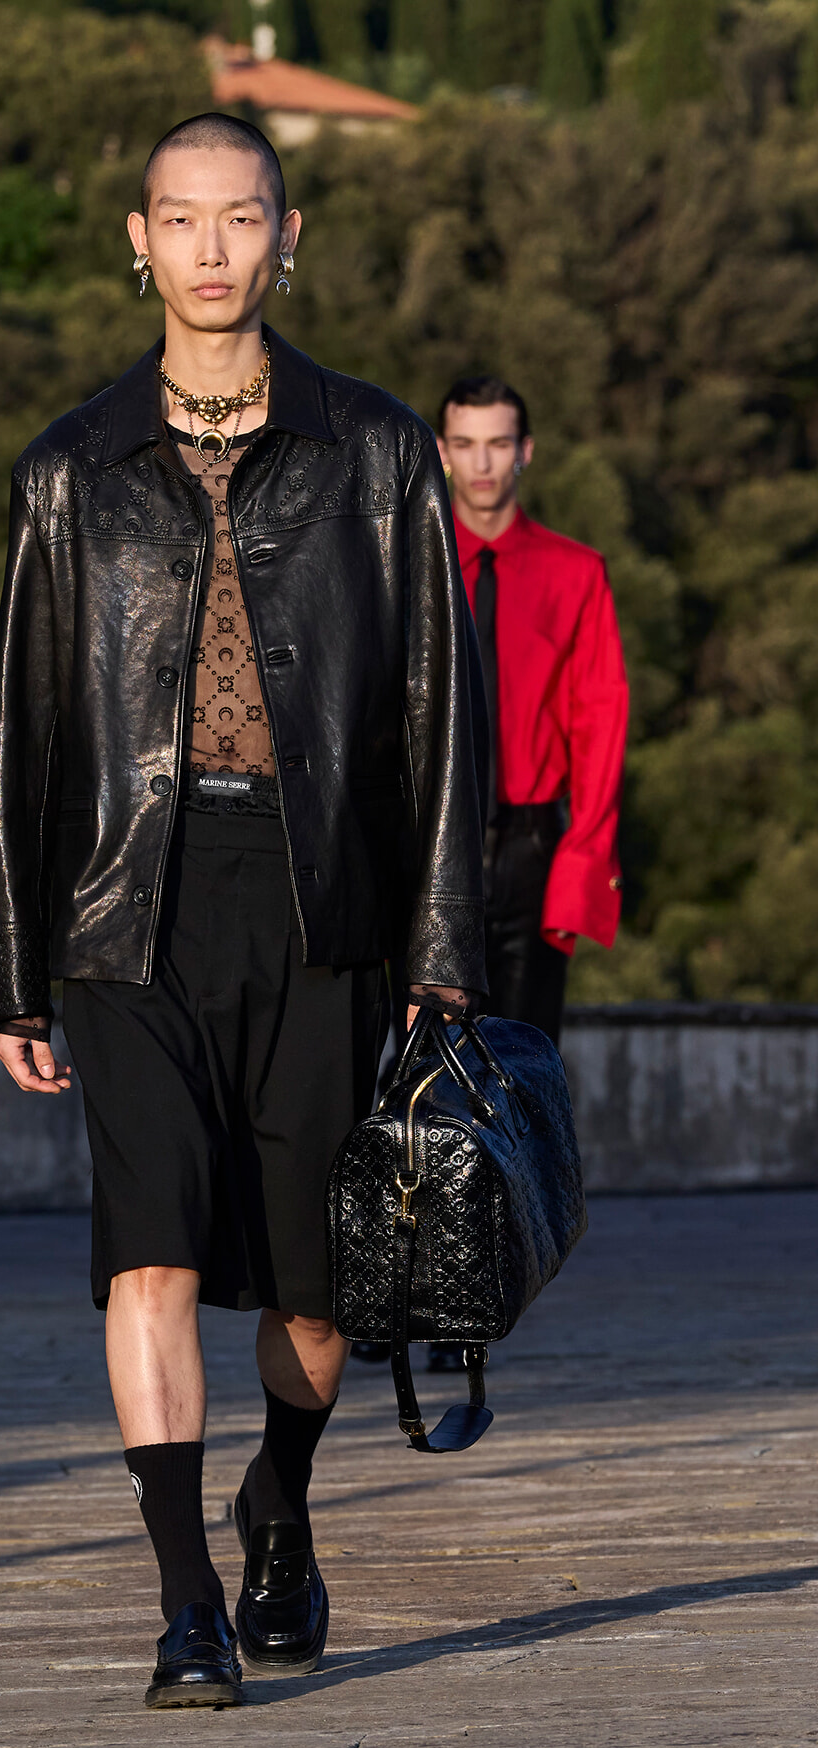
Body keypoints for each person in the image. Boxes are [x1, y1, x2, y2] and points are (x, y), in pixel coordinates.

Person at [0, 113, 487, 1710]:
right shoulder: (67, 470)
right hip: (126, 908)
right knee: (148, 1259)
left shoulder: (383, 452)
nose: (209, 248)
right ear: (136, 240)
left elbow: (439, 721)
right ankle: (188, 1596)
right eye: (179, 219)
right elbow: (24, 734)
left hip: (322, 899)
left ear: (288, 235)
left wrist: (442, 950)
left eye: (240, 218)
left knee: (318, 1286)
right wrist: (14, 975)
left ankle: (280, 1500)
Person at [413, 376, 628, 1377]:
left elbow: (600, 721)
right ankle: (412, 1273)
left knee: (515, 1074)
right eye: (466, 443)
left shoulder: (574, 573)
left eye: (501, 444)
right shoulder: (410, 566)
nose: (484, 463)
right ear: (443, 451)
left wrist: (580, 868)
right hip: (428, 843)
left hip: (529, 844)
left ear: (527, 452)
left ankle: (493, 1280)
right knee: (417, 1071)